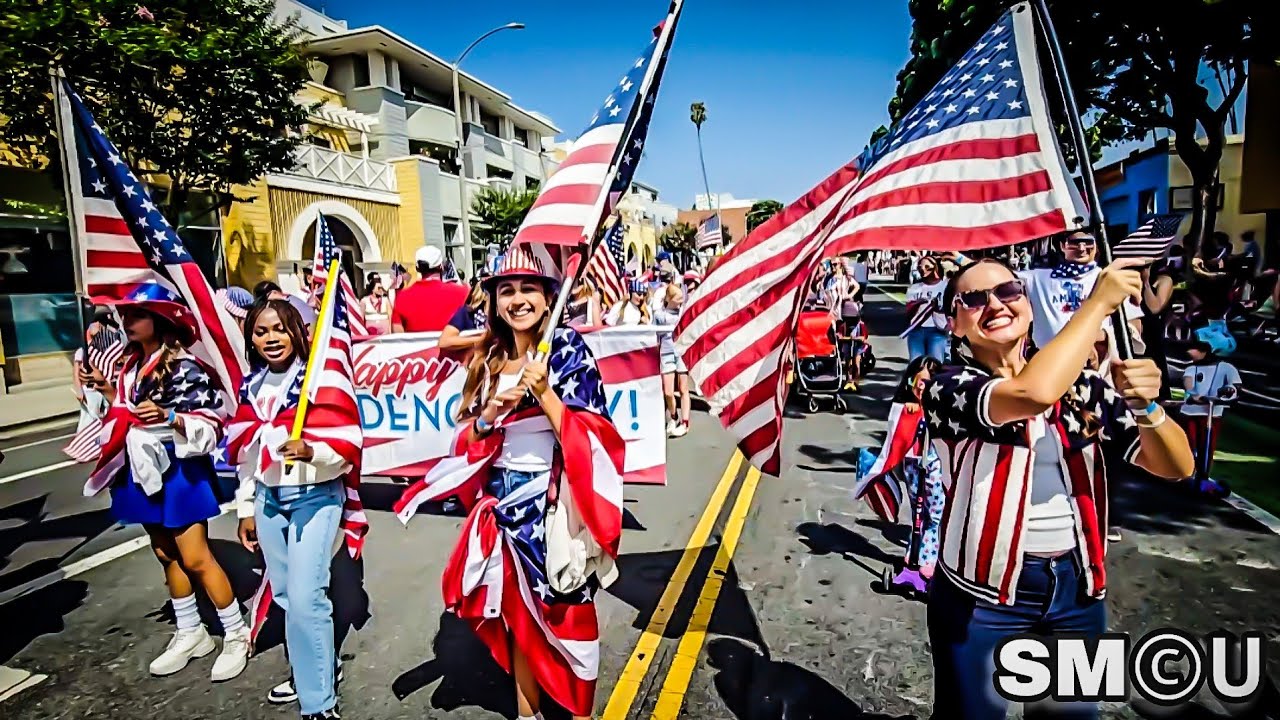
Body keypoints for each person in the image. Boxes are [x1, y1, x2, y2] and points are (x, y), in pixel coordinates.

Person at [923, 258, 1193, 719]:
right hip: (980, 596)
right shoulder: (944, 383)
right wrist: (1097, 305)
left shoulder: (1082, 385)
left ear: (1027, 305)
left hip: (1077, 589)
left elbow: (1176, 465)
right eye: (973, 299)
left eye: (1008, 291)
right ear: (954, 322)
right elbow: (1031, 395)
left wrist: (1148, 407)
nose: (994, 304)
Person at [395, 247, 624, 720]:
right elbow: (472, 442)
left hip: (553, 510)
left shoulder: (566, 350)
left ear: (547, 298)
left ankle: (580, 714)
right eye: (506, 291)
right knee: (519, 621)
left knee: (568, 616)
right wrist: (491, 415)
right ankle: (527, 714)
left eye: (527, 290)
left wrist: (544, 394)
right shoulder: (490, 357)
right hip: (500, 511)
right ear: (494, 301)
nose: (517, 300)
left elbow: (594, 438)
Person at [80, 282, 249, 682]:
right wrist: (106, 389)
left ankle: (236, 633)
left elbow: (212, 422)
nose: (126, 321)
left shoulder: (186, 365)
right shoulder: (127, 363)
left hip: (177, 469)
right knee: (165, 554)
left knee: (195, 557)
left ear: (160, 320)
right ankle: (191, 631)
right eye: (125, 315)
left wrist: (170, 417)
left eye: (136, 315)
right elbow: (127, 411)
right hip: (138, 469)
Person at [228, 299, 361, 720]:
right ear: (251, 337)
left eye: (280, 329)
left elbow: (347, 443)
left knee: (306, 598)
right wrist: (246, 507)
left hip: (316, 496)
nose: (271, 338)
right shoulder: (251, 386)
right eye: (262, 331)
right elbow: (246, 453)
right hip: (270, 500)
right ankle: (316, 667)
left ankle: (318, 703)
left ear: (298, 333)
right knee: (286, 596)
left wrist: (311, 452)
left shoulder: (321, 380)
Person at [1018, 230, 1141, 352]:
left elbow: (1134, 324)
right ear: (1062, 246)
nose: (1082, 248)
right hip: (1050, 362)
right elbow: (1004, 275)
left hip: (1101, 363)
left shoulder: (1111, 278)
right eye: (1074, 243)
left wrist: (1102, 336)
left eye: (1088, 242)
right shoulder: (1038, 279)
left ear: (1096, 245)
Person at [1180, 340, 1241, 497]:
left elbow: (1235, 387)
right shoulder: (1191, 368)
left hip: (1212, 413)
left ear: (1202, 351)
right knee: (1190, 443)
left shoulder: (1226, 367)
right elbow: (1188, 383)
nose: (1189, 353)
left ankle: (1203, 476)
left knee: (1206, 446)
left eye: (1191, 349)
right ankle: (1190, 473)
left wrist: (1229, 392)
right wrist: (1194, 394)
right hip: (1191, 412)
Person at [391, 245, 468, 333]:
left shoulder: (402, 297)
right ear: (441, 266)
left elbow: (397, 336)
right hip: (451, 345)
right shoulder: (462, 293)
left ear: (417, 268)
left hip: (419, 347)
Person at [653, 284, 691, 438]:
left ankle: (685, 423)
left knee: (683, 389)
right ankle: (674, 416)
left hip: (681, 352)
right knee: (668, 392)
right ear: (669, 299)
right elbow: (655, 336)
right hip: (666, 353)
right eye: (678, 298)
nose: (681, 301)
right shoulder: (659, 315)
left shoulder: (683, 313)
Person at [1140, 259, 1177, 401]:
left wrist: (1146, 283)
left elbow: (1155, 307)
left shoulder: (1164, 280)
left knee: (1154, 362)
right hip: (1137, 330)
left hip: (1152, 330)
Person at [904, 255, 949, 362]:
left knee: (935, 364)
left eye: (927, 267)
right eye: (920, 267)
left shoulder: (946, 286)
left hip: (937, 331)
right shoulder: (914, 288)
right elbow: (908, 312)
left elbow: (951, 308)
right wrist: (917, 303)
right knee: (916, 365)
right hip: (916, 331)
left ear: (935, 267)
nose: (923, 270)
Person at [438, 280, 489, 355]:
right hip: (472, 362)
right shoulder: (467, 313)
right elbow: (444, 342)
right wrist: (481, 339)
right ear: (485, 294)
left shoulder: (504, 315)